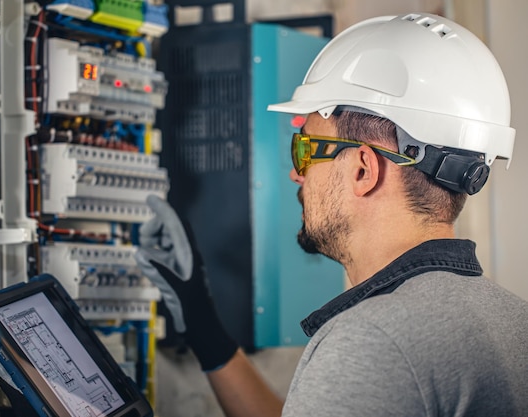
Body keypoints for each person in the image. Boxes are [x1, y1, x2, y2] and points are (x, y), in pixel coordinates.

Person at [135, 12, 528, 417]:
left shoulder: (372, 340)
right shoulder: (514, 322)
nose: (295, 173)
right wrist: (204, 327)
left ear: (363, 169)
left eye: (305, 149)